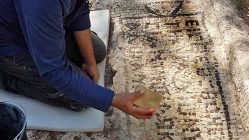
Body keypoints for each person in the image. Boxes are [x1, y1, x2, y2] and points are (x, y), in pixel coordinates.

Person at [0, 0, 155, 119]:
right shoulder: (41, 4)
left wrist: (90, 62)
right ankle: (6, 78)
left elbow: (79, 9)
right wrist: (113, 99)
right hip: (11, 45)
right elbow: (54, 71)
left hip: (34, 22)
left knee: (98, 52)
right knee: (81, 101)